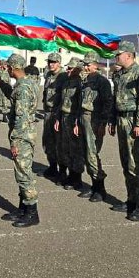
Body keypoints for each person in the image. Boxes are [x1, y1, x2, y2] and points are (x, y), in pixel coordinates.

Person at [0, 53, 40, 227]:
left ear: (13, 68)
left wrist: (14, 141)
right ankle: (23, 208)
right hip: (27, 133)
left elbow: (20, 116)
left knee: (24, 174)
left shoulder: (22, 88)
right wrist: (2, 83)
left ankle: (32, 213)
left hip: (22, 136)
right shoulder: (29, 84)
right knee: (21, 172)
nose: (7, 70)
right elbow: (13, 97)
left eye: (8, 68)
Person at [108, 40, 139, 221]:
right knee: (126, 163)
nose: (116, 57)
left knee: (137, 164)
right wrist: (112, 119)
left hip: (134, 120)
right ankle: (131, 200)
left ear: (129, 55)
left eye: (119, 54)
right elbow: (115, 98)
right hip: (121, 119)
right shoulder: (119, 75)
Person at [79, 51, 112, 202]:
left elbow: (107, 103)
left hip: (95, 120)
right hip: (84, 119)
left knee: (93, 154)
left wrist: (103, 123)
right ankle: (93, 185)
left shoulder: (102, 81)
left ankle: (100, 188)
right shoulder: (84, 81)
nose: (85, 67)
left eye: (88, 65)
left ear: (96, 65)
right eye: (84, 64)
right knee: (86, 153)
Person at [55, 58, 83, 190]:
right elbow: (62, 102)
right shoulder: (67, 82)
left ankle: (76, 178)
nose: (68, 70)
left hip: (73, 119)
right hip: (64, 118)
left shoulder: (80, 84)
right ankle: (68, 175)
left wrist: (77, 122)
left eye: (71, 68)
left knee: (75, 150)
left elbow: (79, 105)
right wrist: (57, 118)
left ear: (78, 69)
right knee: (64, 148)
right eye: (68, 68)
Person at [40, 52, 66, 179]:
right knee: (47, 141)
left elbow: (64, 98)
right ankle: (52, 167)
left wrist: (59, 115)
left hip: (58, 113)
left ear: (59, 63)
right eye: (49, 62)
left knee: (59, 143)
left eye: (53, 62)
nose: (51, 64)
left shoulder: (63, 76)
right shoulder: (48, 75)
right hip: (48, 112)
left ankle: (62, 171)